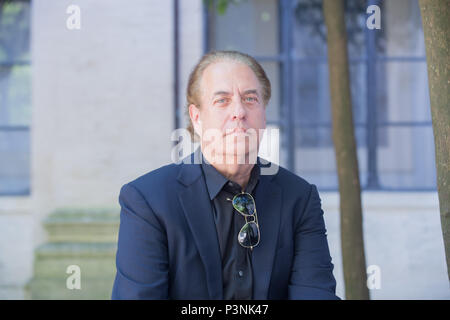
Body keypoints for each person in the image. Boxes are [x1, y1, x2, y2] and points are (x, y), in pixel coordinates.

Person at [111, 50, 339, 300]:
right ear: (197, 118)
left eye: (250, 99)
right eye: (222, 100)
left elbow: (315, 294)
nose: (239, 112)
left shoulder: (300, 198)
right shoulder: (148, 201)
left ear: (264, 113)